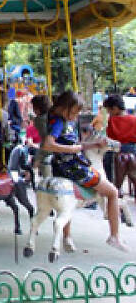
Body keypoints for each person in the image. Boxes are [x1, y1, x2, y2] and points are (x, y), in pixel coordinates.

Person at [43, 90, 128, 252]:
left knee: (66, 202)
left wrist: (95, 145)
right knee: (112, 192)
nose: (75, 116)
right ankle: (114, 236)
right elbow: (48, 145)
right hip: (74, 167)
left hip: (61, 166)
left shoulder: (56, 117)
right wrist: (71, 149)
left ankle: (67, 237)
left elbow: (78, 145)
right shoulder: (59, 122)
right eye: (74, 112)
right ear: (65, 107)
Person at [104, 94, 136, 182]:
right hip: (132, 149)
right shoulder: (134, 119)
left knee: (107, 160)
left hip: (117, 149)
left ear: (115, 108)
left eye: (109, 110)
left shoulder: (112, 120)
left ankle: (111, 181)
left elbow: (109, 136)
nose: (108, 113)